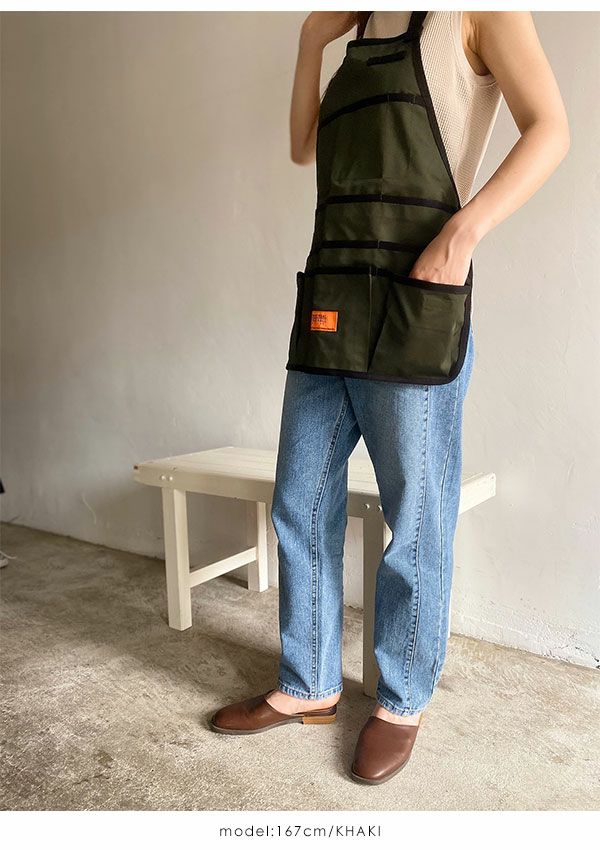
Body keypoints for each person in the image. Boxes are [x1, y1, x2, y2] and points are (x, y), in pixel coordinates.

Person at [210, 11, 569, 785]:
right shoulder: (360, 23)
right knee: (299, 500)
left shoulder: (477, 12)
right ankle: (308, 683)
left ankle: (403, 700)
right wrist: (313, 37)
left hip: (414, 296)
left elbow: (551, 129)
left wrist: (463, 233)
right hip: (332, 294)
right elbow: (304, 147)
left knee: (417, 512)